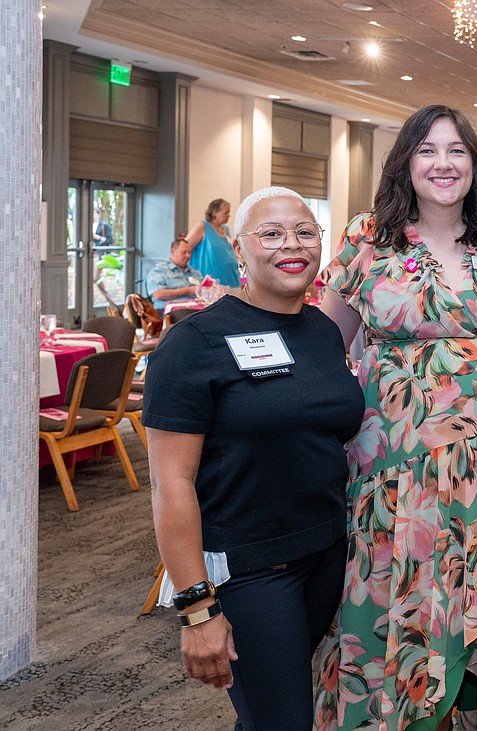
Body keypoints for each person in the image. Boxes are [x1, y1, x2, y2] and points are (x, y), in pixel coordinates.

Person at [314, 104, 477, 731]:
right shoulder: (368, 238)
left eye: (456, 150)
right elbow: (322, 345)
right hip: (388, 466)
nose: (442, 163)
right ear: (405, 161)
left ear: (475, 164)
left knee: (459, 601)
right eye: (427, 150)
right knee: (383, 597)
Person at [143, 187, 363, 729]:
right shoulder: (193, 345)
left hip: (327, 555)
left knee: (270, 713)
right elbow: (170, 483)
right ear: (237, 250)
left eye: (305, 232)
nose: (291, 244)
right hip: (249, 571)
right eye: (270, 233)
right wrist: (196, 609)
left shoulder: (320, 331)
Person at [187, 198, 239, 287]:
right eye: (226, 213)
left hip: (230, 278)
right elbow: (185, 248)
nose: (229, 216)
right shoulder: (202, 226)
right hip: (209, 279)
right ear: (215, 212)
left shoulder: (225, 229)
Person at [146, 235, 204, 312]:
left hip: (195, 310)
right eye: (184, 252)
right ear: (173, 252)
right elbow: (158, 294)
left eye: (189, 252)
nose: (188, 256)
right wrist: (188, 291)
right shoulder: (160, 271)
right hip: (170, 313)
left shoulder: (194, 273)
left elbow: (205, 291)